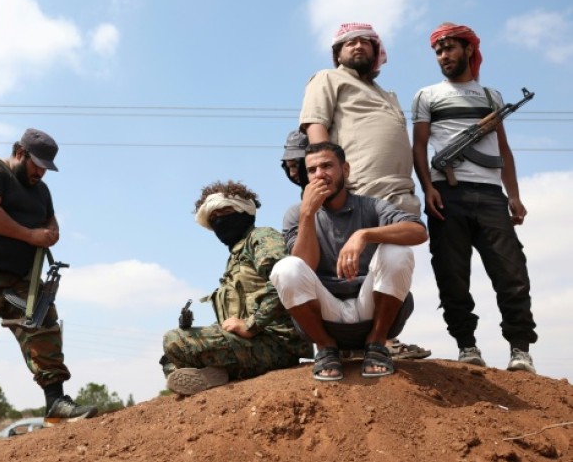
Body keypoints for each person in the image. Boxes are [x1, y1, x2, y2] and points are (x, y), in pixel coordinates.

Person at [0, 128, 97, 446]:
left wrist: (51, 232)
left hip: (22, 277)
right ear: (19, 153)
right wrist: (30, 236)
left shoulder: (41, 191)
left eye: (46, 168)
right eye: (37, 165)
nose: (40, 173)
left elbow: (51, 221)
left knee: (44, 329)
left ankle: (56, 403)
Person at [299, 23, 430, 361]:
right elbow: (316, 128)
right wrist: (326, 178)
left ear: (376, 51)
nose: (357, 46)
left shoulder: (388, 95)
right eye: (349, 43)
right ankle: (354, 342)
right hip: (361, 187)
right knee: (353, 271)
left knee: (393, 264)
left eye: (364, 42)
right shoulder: (328, 79)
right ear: (337, 53)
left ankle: (383, 337)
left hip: (399, 193)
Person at [411, 23, 537, 373]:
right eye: (438, 51)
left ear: (468, 50)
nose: (443, 56)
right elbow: (419, 147)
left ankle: (520, 349)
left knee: (512, 272)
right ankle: (466, 345)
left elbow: (503, 150)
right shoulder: (427, 96)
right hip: (447, 194)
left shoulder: (491, 97)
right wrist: (428, 187)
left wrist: (514, 195)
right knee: (451, 274)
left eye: (449, 48)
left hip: (491, 195)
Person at [270, 142, 428, 381]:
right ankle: (326, 348)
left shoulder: (371, 205)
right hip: (326, 314)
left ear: (345, 169)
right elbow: (303, 267)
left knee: (397, 251)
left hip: (371, 309)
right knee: (285, 268)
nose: (319, 174)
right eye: (312, 170)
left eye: (327, 166)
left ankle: (377, 344)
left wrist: (364, 235)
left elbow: (418, 231)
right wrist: (308, 214)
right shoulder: (297, 214)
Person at [160, 181, 312, 395]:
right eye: (213, 217)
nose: (219, 220)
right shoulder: (234, 258)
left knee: (175, 341)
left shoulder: (262, 238)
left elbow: (283, 280)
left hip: (276, 342)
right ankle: (215, 375)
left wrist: (251, 325)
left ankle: (217, 373)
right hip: (250, 341)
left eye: (225, 212)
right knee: (169, 358)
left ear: (244, 211)